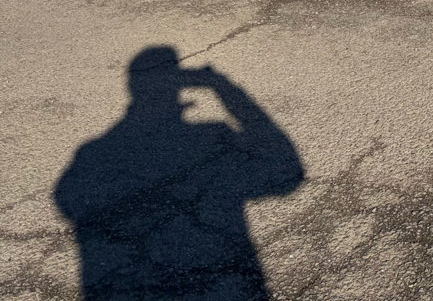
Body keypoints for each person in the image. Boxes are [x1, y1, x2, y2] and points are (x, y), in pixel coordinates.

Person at [55, 46, 303, 300]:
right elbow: (286, 170)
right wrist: (221, 86)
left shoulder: (93, 154)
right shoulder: (212, 136)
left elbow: (69, 202)